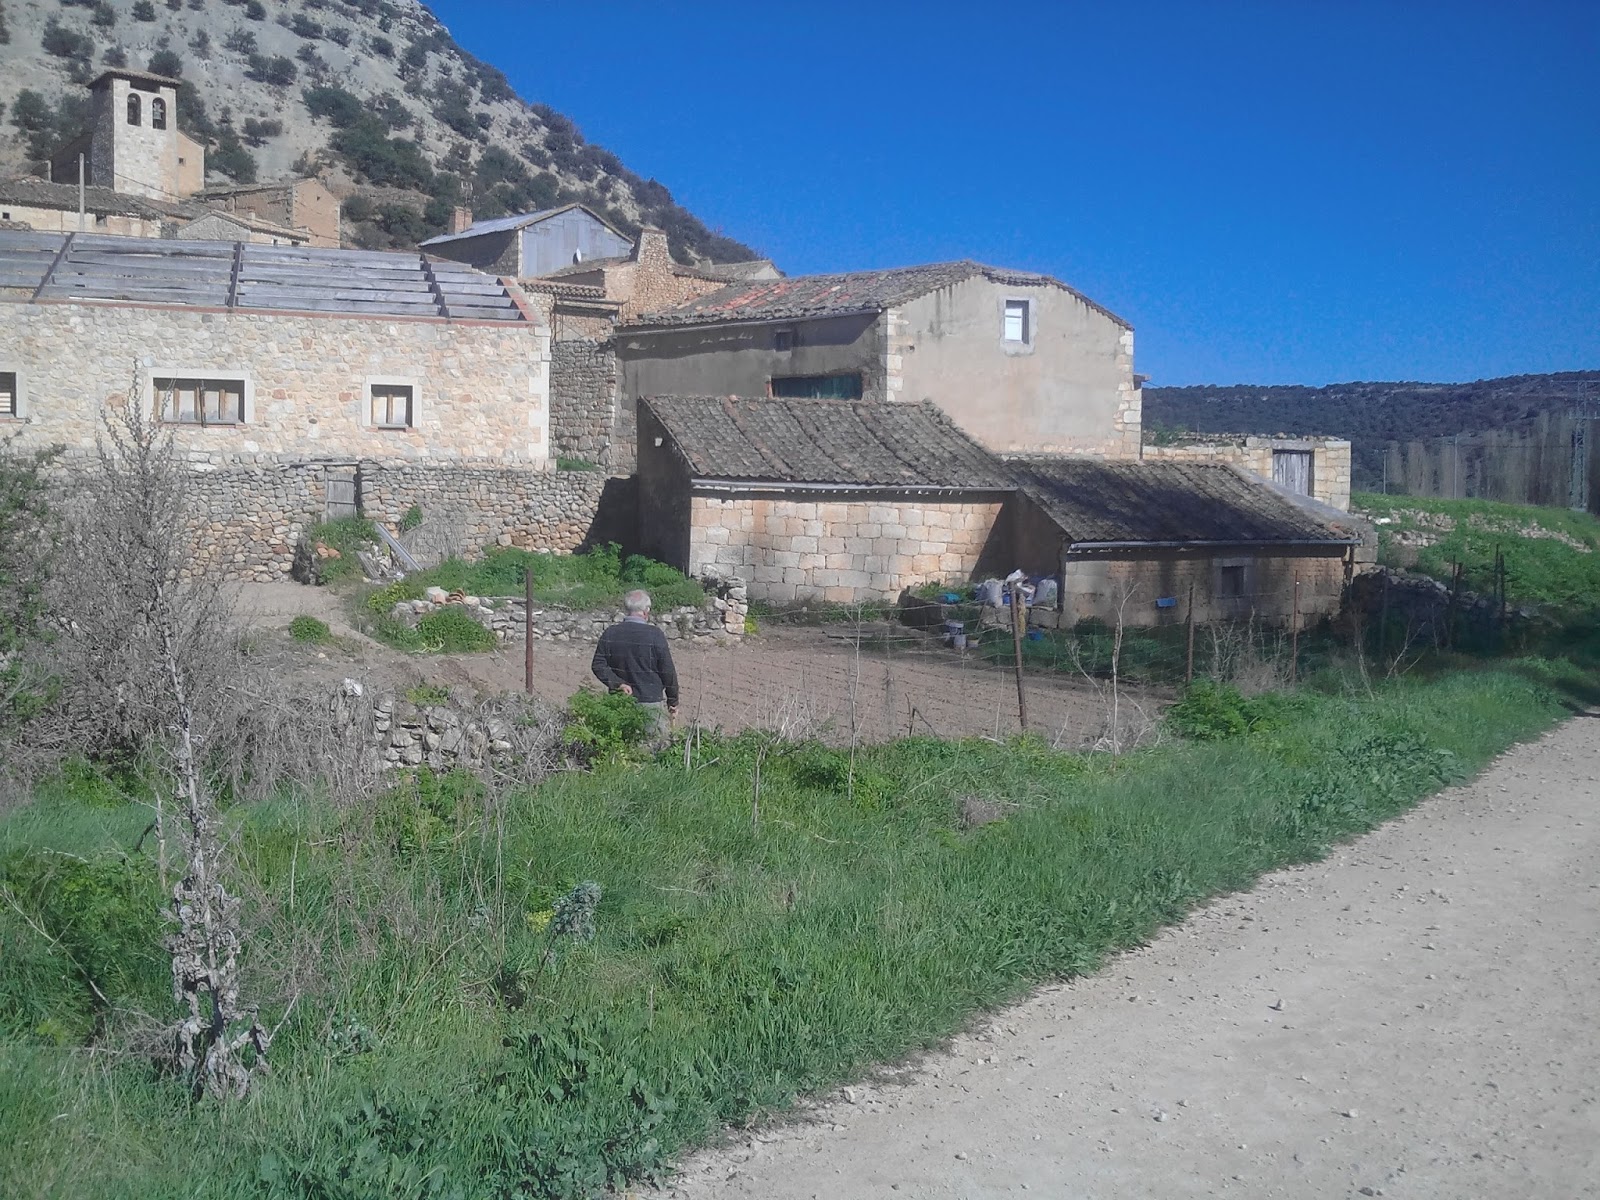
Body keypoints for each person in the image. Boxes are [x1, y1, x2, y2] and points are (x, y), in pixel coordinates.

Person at [590, 588, 679, 744]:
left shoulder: (611, 633)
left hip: (620, 702)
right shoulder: (654, 634)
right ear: (646, 612)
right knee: (654, 748)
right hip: (650, 703)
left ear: (627, 609)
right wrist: (673, 701)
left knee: (622, 746)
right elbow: (667, 671)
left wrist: (618, 684)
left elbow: (598, 664)